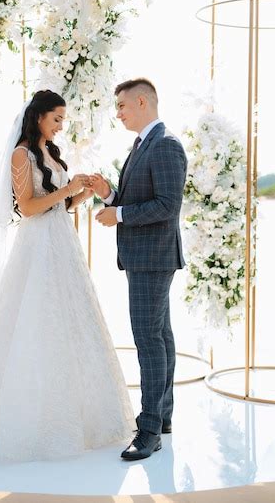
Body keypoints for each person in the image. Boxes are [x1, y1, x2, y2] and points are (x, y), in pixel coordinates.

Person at [0, 90, 134, 462]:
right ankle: (30, 421)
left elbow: (60, 205)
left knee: (70, 321)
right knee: (34, 321)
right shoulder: (21, 154)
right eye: (56, 118)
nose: (60, 126)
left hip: (62, 244)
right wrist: (68, 188)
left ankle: (80, 415)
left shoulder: (51, 154)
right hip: (37, 246)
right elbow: (28, 208)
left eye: (63, 120)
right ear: (39, 115)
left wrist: (83, 192)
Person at [91, 78, 187, 461]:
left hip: (153, 258)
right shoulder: (142, 144)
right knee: (159, 335)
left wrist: (120, 214)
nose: (118, 114)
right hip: (146, 256)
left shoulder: (165, 145)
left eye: (121, 106)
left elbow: (167, 205)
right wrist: (109, 194)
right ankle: (161, 417)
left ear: (142, 101)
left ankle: (149, 430)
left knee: (148, 339)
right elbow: (140, 198)